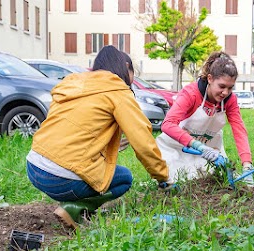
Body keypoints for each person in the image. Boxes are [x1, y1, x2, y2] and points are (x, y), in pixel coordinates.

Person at [26, 46, 172, 229]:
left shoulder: (72, 84)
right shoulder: (118, 91)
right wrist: (162, 177)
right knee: (124, 178)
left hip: (33, 166)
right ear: (126, 66)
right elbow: (143, 141)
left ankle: (79, 208)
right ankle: (75, 208)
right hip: (61, 180)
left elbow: (74, 132)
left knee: (102, 172)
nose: (131, 84)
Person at [156, 51, 254, 185]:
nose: (225, 92)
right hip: (176, 148)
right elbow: (167, 124)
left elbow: (239, 131)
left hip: (210, 153)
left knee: (215, 180)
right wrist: (198, 146)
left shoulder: (229, 100)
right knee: (178, 180)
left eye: (230, 88)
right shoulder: (191, 93)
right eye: (222, 86)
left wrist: (247, 164)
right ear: (210, 78)